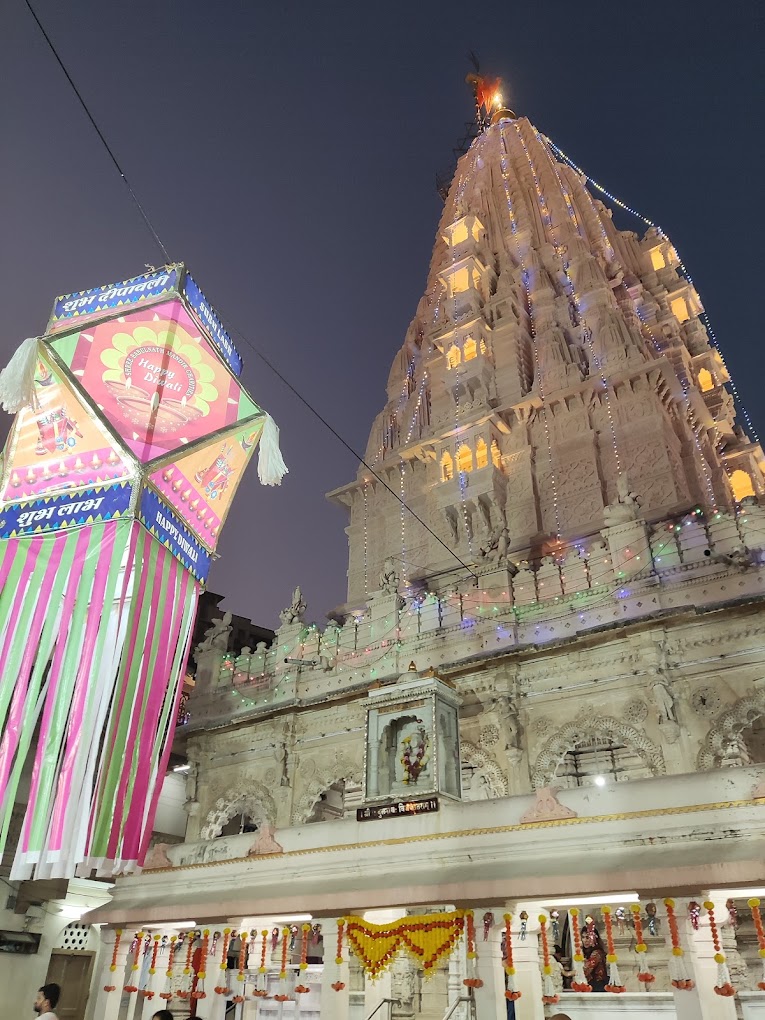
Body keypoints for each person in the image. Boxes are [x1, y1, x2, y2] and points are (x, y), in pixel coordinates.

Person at [581, 923, 608, 992]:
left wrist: (567, 973)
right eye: (583, 937)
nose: (584, 940)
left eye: (587, 937)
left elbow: (586, 969)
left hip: (598, 986)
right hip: (591, 985)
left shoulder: (597, 953)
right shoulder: (587, 952)